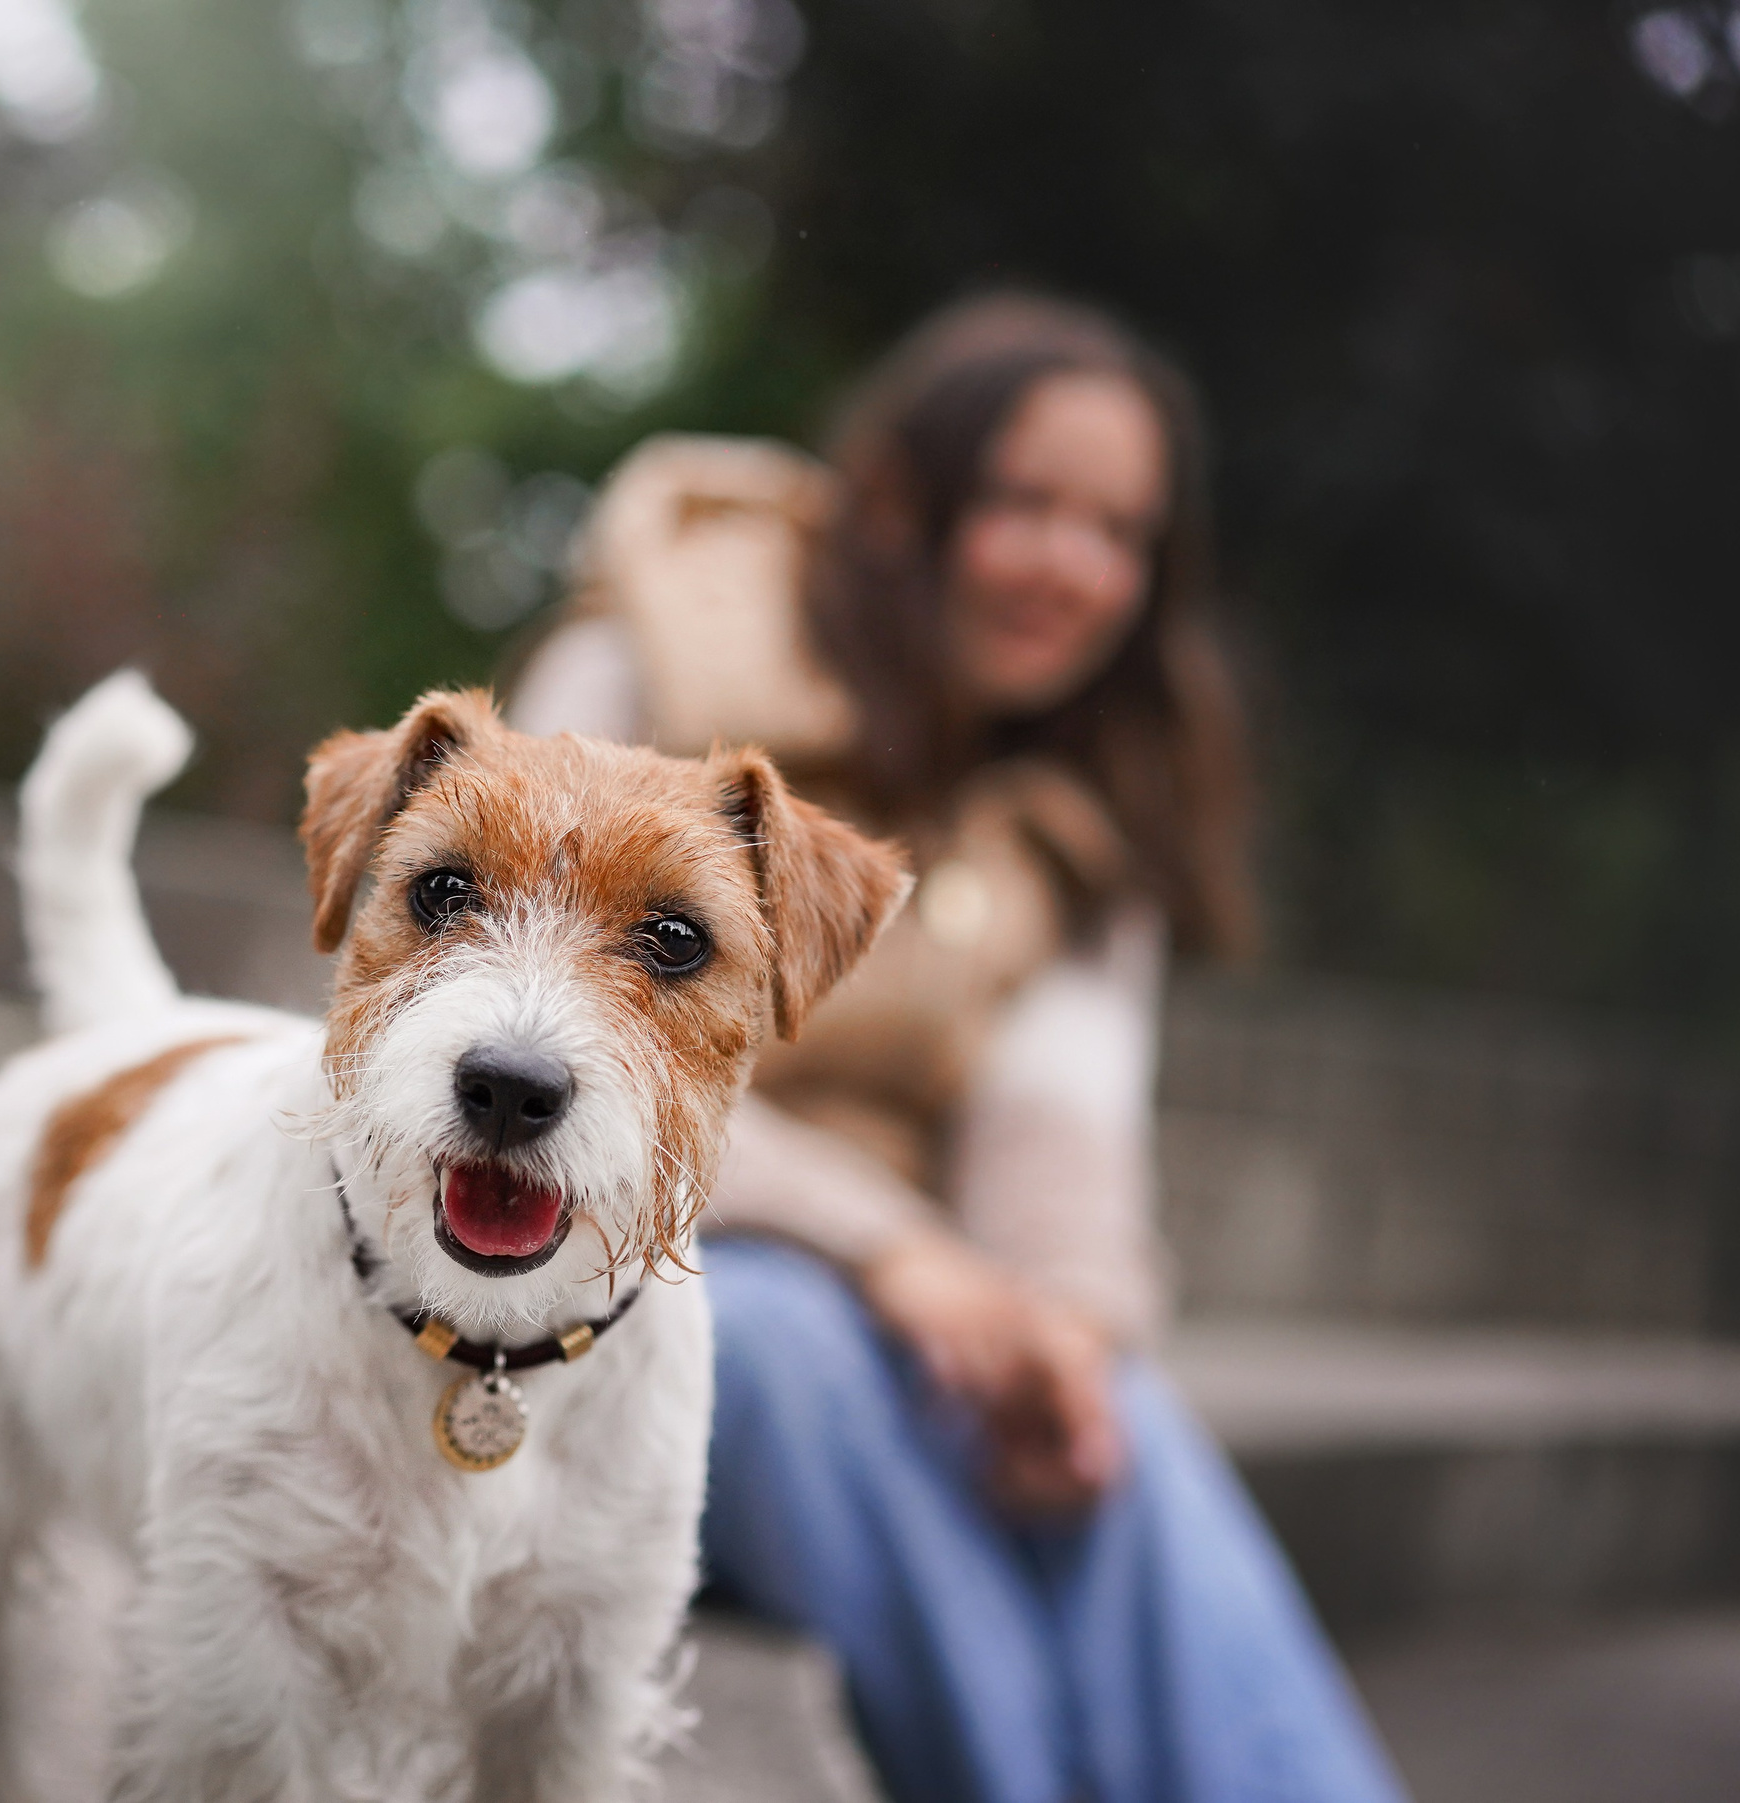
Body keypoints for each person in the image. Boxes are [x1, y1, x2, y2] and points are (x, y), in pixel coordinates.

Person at [507, 292, 1407, 1803]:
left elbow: (1061, 1153)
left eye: (1120, 532)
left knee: (1116, 1425)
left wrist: (1054, 1337)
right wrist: (894, 1257)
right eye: (1030, 506)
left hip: (886, 1308)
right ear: (903, 503)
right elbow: (543, 1050)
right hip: (584, 1262)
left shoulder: (1081, 824)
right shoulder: (649, 665)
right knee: (776, 1335)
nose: (1077, 568)